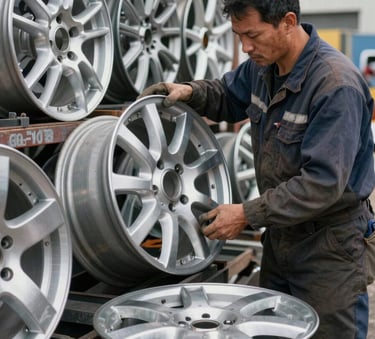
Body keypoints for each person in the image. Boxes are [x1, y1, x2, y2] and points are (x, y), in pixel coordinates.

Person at [139, 0, 375, 337]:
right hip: (281, 239)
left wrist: (246, 214)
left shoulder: (335, 86)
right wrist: (190, 91)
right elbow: (228, 96)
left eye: (253, 35)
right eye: (238, 36)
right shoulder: (262, 68)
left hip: (330, 248)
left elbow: (321, 184)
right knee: (274, 331)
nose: (246, 47)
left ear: (288, 21)